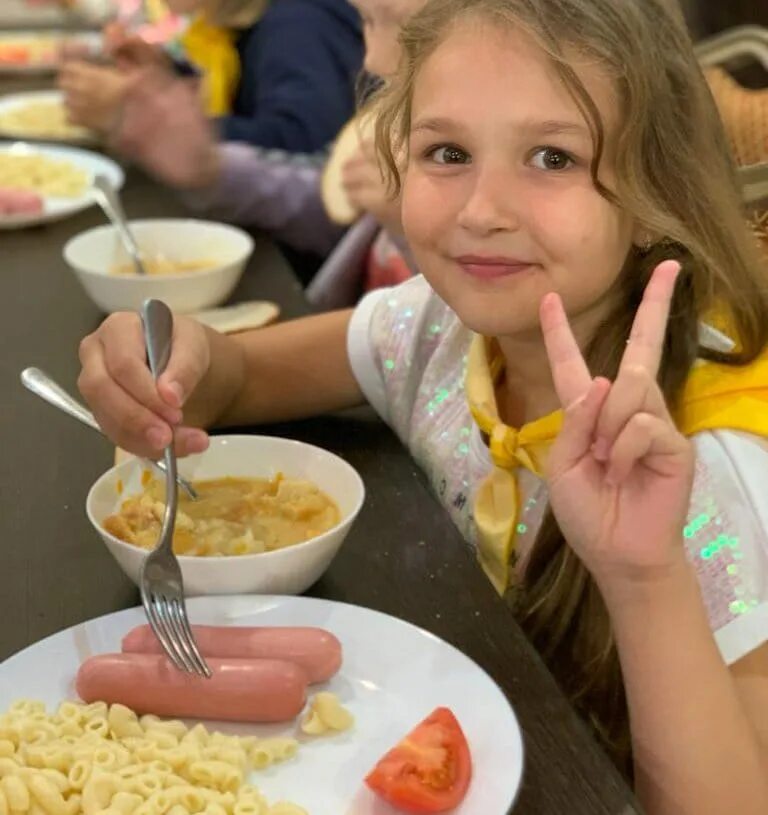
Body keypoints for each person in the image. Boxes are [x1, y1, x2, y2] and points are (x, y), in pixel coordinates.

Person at [76, 0, 768, 809]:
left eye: (552, 156)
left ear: (657, 189)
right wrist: (167, 355)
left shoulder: (719, 471)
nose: (481, 210)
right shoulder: (438, 330)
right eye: (448, 151)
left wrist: (647, 579)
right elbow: (234, 374)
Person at [108, 0, 419, 291]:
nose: (371, 62)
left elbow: (300, 140)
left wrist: (413, 226)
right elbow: (331, 201)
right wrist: (211, 168)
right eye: (368, 21)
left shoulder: (298, 24)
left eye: (407, 27)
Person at [59, 0, 363, 152]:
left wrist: (144, 117)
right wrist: (164, 79)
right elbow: (240, 97)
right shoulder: (236, 21)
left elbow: (303, 148)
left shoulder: (298, 24)